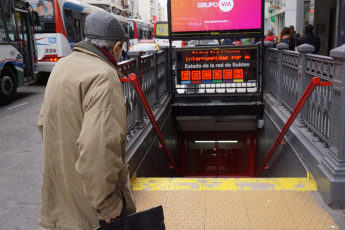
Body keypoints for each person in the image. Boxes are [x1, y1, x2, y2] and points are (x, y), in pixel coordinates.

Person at [37, 11, 136, 230]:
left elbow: (44, 124)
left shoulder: (61, 66)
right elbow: (99, 149)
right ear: (117, 47)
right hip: (92, 214)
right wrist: (108, 205)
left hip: (62, 202)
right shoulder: (104, 77)